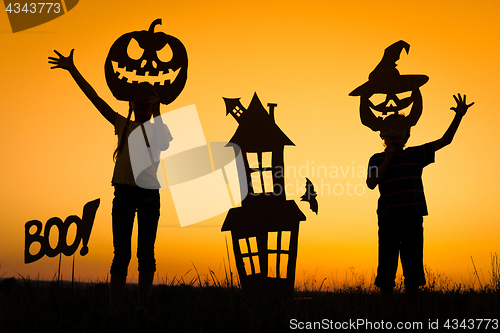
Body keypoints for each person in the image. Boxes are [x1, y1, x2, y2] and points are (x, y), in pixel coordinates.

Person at [49, 49, 171, 314]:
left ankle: (141, 307)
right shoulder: (122, 125)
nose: (142, 105)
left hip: (149, 196)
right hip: (124, 195)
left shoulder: (158, 127)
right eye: (138, 101)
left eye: (147, 101)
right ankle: (113, 309)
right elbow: (96, 99)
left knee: (146, 254)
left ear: (152, 105)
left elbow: (163, 142)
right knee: (121, 256)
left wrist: (158, 108)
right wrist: (73, 70)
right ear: (131, 104)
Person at [366, 93, 474, 316]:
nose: (396, 139)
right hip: (387, 219)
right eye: (392, 135)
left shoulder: (416, 154)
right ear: (385, 137)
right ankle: (386, 315)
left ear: (407, 135)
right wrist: (387, 158)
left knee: (412, 267)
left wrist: (459, 117)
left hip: (412, 218)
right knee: (386, 268)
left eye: (401, 134)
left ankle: (412, 313)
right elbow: (371, 182)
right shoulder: (376, 158)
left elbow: (445, 141)